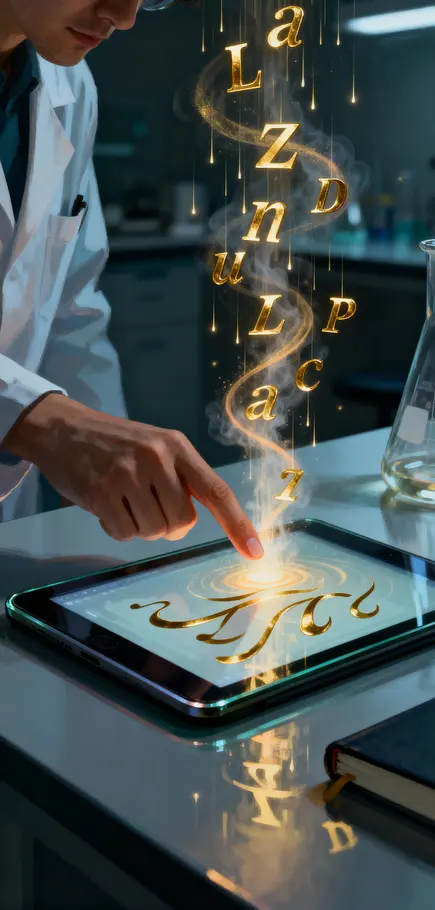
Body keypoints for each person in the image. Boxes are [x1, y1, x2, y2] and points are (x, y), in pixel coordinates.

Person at [0, 0, 264, 561]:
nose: (125, 16)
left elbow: (72, 309)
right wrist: (39, 420)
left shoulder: (70, 84)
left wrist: (124, 479)